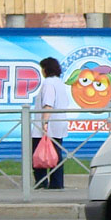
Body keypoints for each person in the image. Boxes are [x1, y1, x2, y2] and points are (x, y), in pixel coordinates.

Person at [30, 57, 72, 190]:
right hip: (59, 124)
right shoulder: (59, 83)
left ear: (46, 69)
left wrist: (44, 123)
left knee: (39, 155)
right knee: (56, 155)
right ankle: (57, 183)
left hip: (47, 125)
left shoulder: (48, 83)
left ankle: (41, 182)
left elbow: (48, 104)